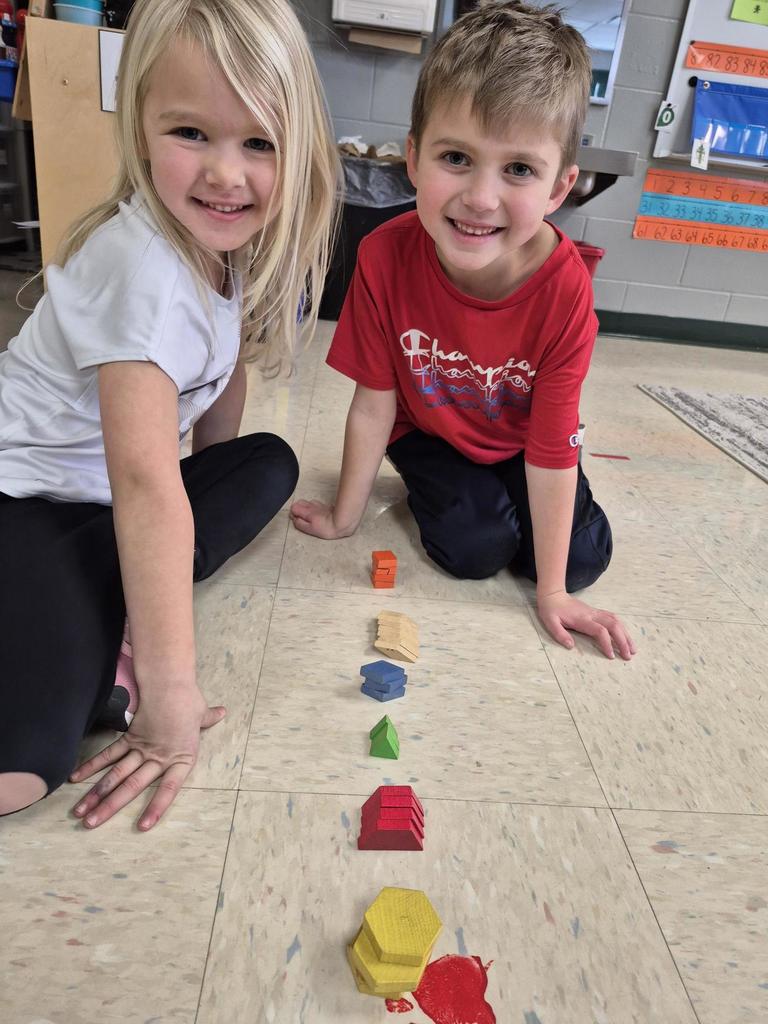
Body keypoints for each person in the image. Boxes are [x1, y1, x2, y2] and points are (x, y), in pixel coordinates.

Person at [0, 0, 339, 825]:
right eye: (192, 135)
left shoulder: (223, 242)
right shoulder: (145, 275)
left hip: (116, 493)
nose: (227, 174)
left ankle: (111, 604)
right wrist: (171, 691)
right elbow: (149, 486)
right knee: (25, 771)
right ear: (141, 126)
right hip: (30, 499)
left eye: (258, 143)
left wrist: (203, 479)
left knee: (267, 463)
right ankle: (105, 622)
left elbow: (215, 382)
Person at [291, 0, 636, 661]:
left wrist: (556, 594)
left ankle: (538, 543)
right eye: (457, 157)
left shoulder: (565, 289)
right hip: (429, 433)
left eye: (518, 170)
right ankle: (452, 496)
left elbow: (553, 445)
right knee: (475, 550)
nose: (481, 198)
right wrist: (344, 514)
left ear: (561, 186)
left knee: (579, 559)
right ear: (414, 159)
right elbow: (374, 401)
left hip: (517, 441)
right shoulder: (384, 257)